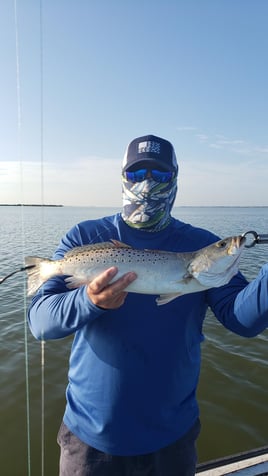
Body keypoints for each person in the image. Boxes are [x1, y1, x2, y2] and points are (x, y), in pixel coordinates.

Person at [28, 134, 268, 476]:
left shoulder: (200, 245)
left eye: (161, 175)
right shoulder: (84, 237)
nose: (148, 183)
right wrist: (89, 300)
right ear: (123, 177)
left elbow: (243, 320)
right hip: (91, 442)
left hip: (173, 439)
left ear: (176, 180)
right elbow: (40, 321)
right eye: (138, 174)